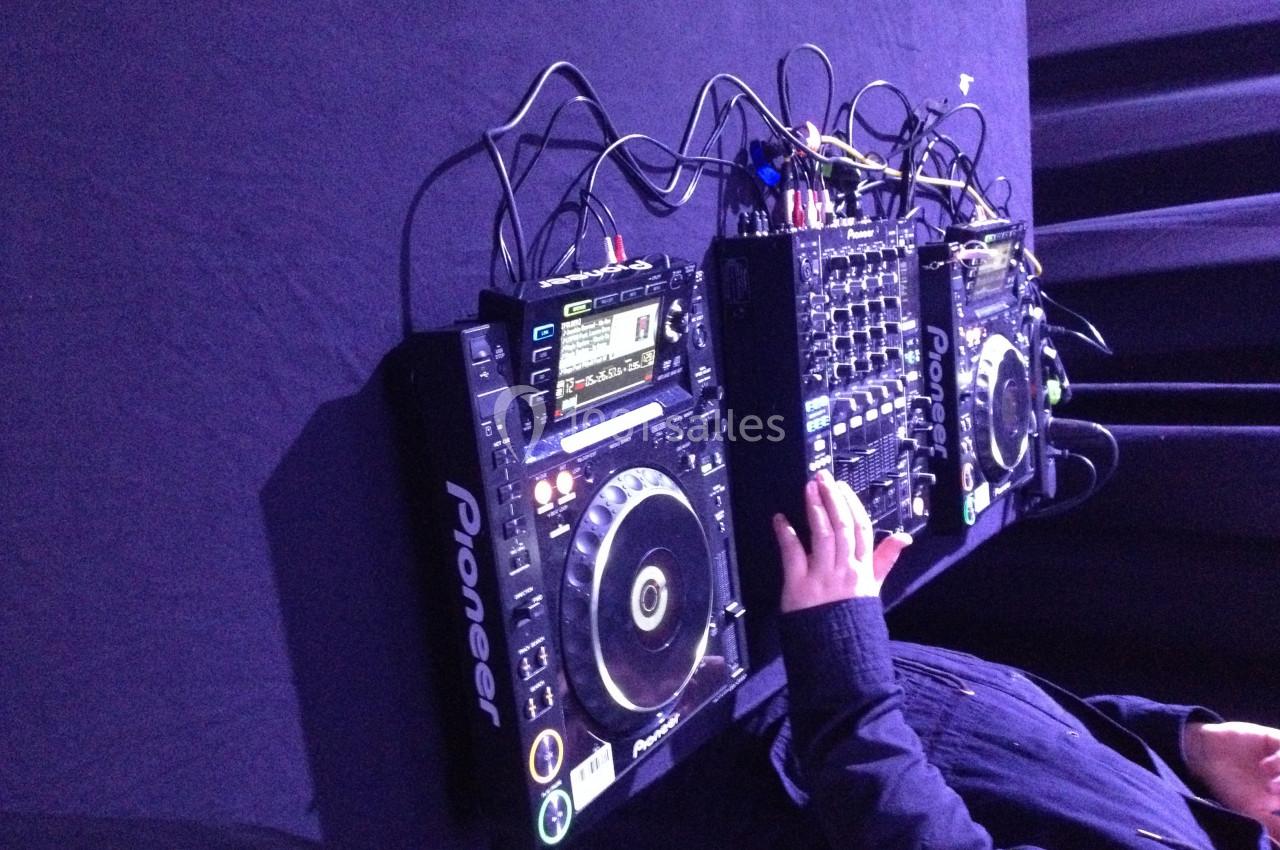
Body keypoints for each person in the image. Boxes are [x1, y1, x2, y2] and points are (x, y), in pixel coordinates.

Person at [769, 470, 1280, 849]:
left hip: (775, 746)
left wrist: (842, 658)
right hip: (824, 673)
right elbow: (1064, 780)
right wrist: (1191, 750)